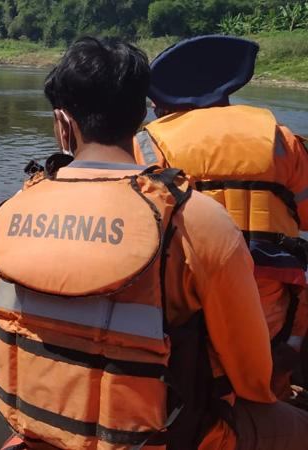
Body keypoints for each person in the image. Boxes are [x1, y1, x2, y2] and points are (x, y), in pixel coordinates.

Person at [0, 36, 308, 450]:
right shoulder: (198, 221)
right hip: (164, 436)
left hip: (37, 425)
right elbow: (251, 377)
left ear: (63, 123)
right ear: (141, 114)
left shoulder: (15, 206)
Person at [135, 35, 308, 399]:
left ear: (164, 103)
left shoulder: (147, 146)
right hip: (275, 319)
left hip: (188, 322)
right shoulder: (284, 142)